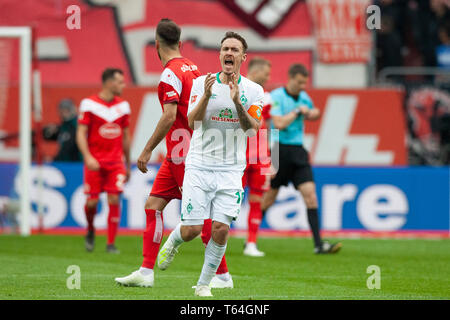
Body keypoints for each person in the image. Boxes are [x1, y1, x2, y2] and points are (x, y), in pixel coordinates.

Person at [115, 19, 232, 289]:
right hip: (178, 153)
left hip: (185, 152)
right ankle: (145, 271)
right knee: (153, 206)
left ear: (156, 44)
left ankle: (222, 275)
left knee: (197, 220)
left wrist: (146, 149)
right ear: (179, 43)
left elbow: (169, 116)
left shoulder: (170, 73)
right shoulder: (193, 67)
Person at [157, 31, 265, 297]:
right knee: (193, 229)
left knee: (220, 229)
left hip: (231, 170)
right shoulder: (201, 83)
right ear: (220, 54)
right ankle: (173, 240)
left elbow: (252, 130)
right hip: (200, 165)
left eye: (234, 49)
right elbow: (192, 122)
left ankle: (204, 285)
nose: (229, 53)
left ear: (243, 57)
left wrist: (238, 101)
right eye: (225, 48)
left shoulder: (254, 90)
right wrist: (206, 96)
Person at [261, 64, 342, 254]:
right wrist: (298, 112)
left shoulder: (304, 97)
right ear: (290, 78)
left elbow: (315, 112)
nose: (302, 86)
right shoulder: (277, 97)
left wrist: (310, 112)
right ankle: (251, 239)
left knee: (311, 196)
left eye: (304, 82)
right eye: (299, 82)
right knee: (269, 198)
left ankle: (318, 244)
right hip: (277, 149)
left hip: (298, 151)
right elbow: (278, 123)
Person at [76, 68, 131, 254]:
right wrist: (88, 157)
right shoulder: (89, 104)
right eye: (120, 82)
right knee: (92, 203)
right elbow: (81, 134)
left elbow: (125, 136)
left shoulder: (123, 106)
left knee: (114, 198)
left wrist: (128, 163)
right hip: (95, 162)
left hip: (115, 162)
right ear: (109, 83)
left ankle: (110, 243)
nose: (123, 85)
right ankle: (90, 228)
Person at [242, 57, 272, 257]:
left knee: (256, 200)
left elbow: (270, 127)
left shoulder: (267, 97)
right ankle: (218, 240)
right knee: (231, 201)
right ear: (256, 71)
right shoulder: (239, 90)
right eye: (266, 74)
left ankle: (251, 243)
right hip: (239, 156)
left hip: (260, 157)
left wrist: (272, 158)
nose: (268, 78)